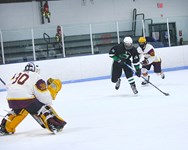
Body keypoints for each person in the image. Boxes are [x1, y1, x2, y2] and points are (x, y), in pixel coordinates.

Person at [0, 62, 67, 135]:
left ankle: (5, 127)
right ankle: (55, 125)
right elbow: (44, 97)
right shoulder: (36, 76)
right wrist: (43, 103)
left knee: (18, 111)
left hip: (11, 99)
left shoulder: (17, 74)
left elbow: (11, 86)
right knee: (42, 109)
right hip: (25, 98)